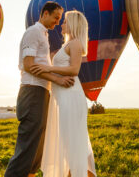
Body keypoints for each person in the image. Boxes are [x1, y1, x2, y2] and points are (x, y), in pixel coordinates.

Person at [5, 1, 75, 177]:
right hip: (32, 90)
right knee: (29, 141)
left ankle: (30, 174)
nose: (57, 22)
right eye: (55, 17)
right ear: (45, 13)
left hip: (42, 90)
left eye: (60, 19)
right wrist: (57, 79)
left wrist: (54, 81)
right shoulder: (33, 32)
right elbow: (29, 65)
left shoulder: (43, 34)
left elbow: (40, 65)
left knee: (39, 139)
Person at [29, 10, 97, 177]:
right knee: (67, 141)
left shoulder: (74, 44)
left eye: (65, 21)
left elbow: (74, 70)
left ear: (73, 24)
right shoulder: (68, 45)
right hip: (63, 96)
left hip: (70, 96)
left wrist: (48, 68)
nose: (62, 24)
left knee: (71, 142)